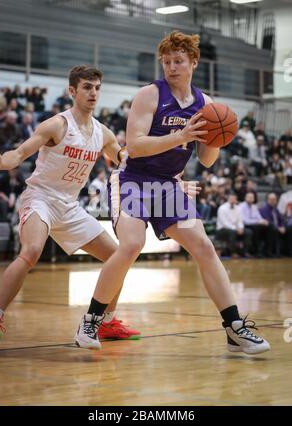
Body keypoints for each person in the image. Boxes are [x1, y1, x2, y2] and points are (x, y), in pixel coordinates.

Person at [80, 31, 270, 355]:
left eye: (178, 61)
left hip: (169, 184)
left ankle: (235, 328)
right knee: (131, 245)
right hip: (133, 180)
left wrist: (215, 136)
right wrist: (181, 134)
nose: (171, 67)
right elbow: (135, 147)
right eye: (166, 61)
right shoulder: (149, 95)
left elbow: (208, 160)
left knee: (204, 247)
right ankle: (92, 320)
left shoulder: (205, 104)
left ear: (193, 62)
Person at [0, 65, 140, 346]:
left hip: (70, 206)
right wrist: (2, 162)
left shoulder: (103, 132)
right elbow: (21, 153)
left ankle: (106, 323)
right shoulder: (56, 125)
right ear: (72, 91)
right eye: (86, 87)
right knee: (32, 251)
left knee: (119, 258)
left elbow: (120, 157)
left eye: (96, 87)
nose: (93, 92)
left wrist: (144, 156)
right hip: (41, 198)